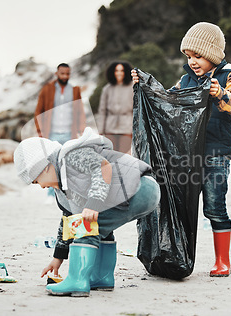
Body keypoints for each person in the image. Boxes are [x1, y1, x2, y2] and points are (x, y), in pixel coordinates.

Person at [132, 22, 231, 277]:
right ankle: (176, 253)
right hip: (187, 155)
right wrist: (145, 85)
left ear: (213, 54)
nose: (193, 61)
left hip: (216, 153)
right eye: (188, 56)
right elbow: (167, 99)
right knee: (181, 204)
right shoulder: (186, 79)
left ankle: (222, 261)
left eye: (198, 56)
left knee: (214, 205)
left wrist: (220, 95)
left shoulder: (228, 75)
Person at [14, 127, 160, 297]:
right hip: (134, 195)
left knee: (87, 224)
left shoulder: (70, 157)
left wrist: (93, 203)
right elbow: (68, 221)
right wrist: (58, 257)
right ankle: (102, 277)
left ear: (44, 167)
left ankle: (78, 280)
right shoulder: (61, 190)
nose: (41, 186)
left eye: (36, 180)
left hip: (142, 187)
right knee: (93, 224)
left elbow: (103, 167)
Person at [34, 63, 86, 202]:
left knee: (69, 165)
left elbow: (80, 110)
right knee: (51, 164)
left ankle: (68, 195)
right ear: (57, 73)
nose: (65, 76)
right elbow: (39, 111)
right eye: (62, 73)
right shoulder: (47, 89)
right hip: (52, 134)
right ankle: (51, 195)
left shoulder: (75, 90)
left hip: (70, 133)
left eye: (67, 74)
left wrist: (81, 129)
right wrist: (41, 132)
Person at [96, 61, 134, 153]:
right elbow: (102, 111)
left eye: (122, 71)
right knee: (111, 155)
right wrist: (101, 130)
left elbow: (136, 110)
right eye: (117, 71)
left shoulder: (132, 87)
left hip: (127, 127)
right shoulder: (107, 89)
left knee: (123, 156)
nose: (119, 73)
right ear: (113, 72)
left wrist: (135, 129)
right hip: (110, 127)